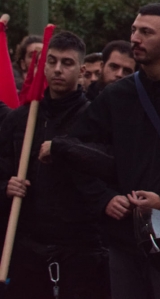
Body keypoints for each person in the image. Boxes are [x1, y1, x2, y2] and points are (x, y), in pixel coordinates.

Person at [61, 3, 160, 299]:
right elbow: (78, 150)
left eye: (146, 32)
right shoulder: (116, 95)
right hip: (123, 239)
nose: (136, 38)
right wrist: (104, 198)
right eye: (134, 30)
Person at [0, 31, 107, 299]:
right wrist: (5, 186)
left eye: (67, 63)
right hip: (26, 248)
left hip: (79, 250)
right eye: (52, 61)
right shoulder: (20, 120)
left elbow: (105, 170)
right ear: (43, 65)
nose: (58, 69)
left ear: (81, 70)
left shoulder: (93, 118)